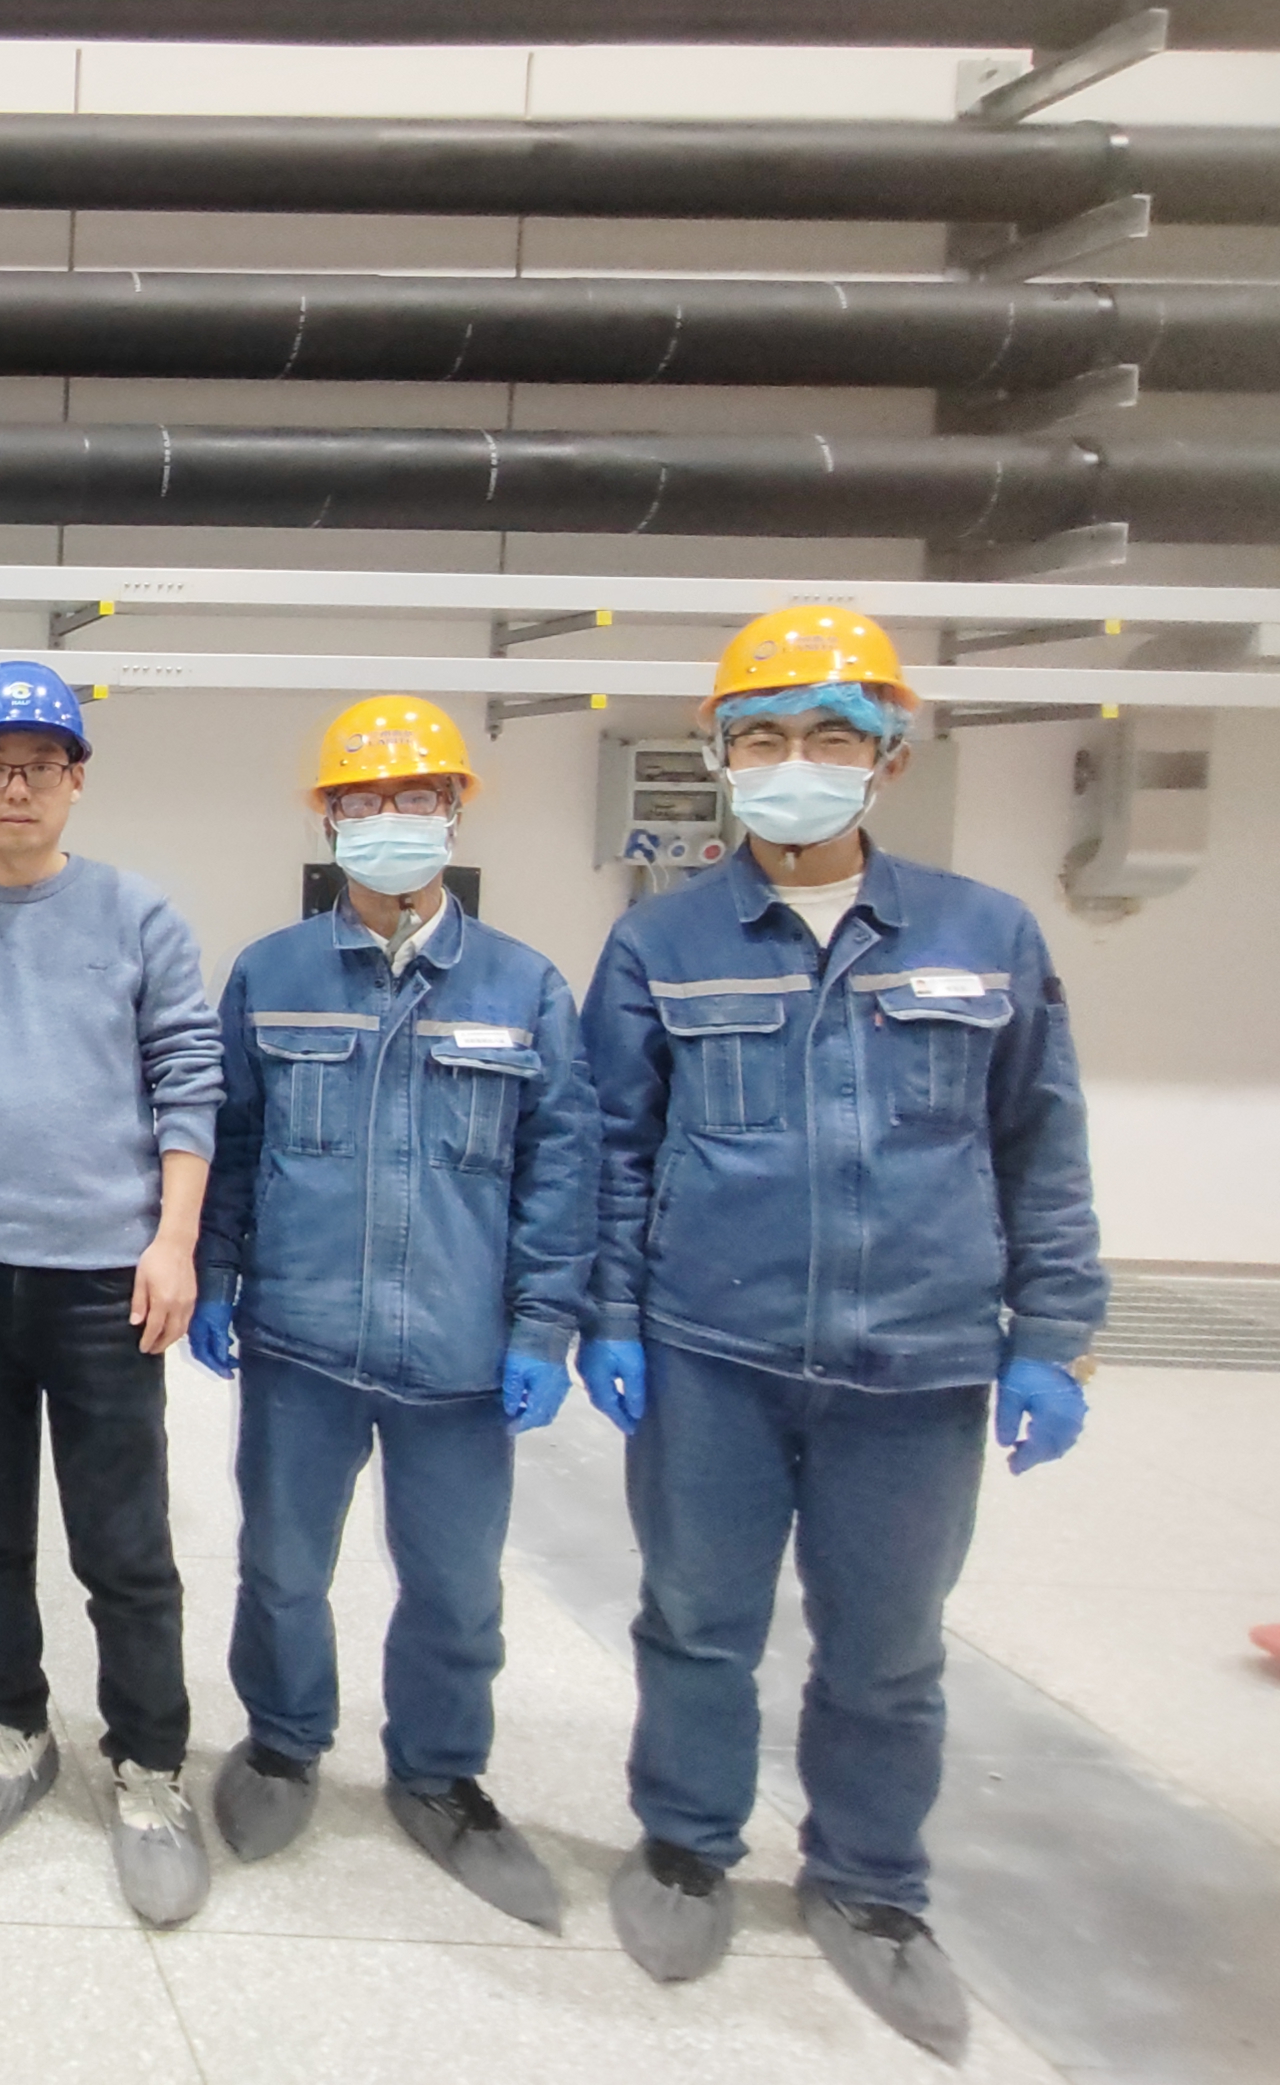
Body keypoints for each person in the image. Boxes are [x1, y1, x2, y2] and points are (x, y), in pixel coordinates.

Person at [584, 606, 1102, 2060]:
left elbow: (1041, 1143)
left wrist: (1055, 1331)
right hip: (713, 1348)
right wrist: (610, 1315)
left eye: (827, 736)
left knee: (888, 1647)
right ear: (721, 757)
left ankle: (872, 1886)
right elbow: (614, 1145)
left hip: (920, 1363)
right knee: (698, 1619)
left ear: (888, 757)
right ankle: (684, 1846)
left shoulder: (985, 934)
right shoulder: (663, 939)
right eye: (762, 738)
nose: (793, 764)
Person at [186, 695, 597, 1929]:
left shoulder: (525, 986)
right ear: (328, 821)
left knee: (457, 1588)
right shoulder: (271, 973)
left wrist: (544, 1329)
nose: (389, 820)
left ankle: (439, 1775)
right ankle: (280, 1744)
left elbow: (560, 1170)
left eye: (415, 798)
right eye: (361, 802)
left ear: (454, 812)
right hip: (301, 1341)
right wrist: (216, 1277)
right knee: (281, 1565)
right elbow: (233, 1143)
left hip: (460, 1357)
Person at [0, 660, 224, 1928]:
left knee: (124, 1547)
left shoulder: (139, 917)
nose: (18, 787)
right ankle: (14, 1726)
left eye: (43, 766)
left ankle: (151, 1768)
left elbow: (189, 1079)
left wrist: (174, 1242)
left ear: (77, 783)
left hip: (103, 1280)